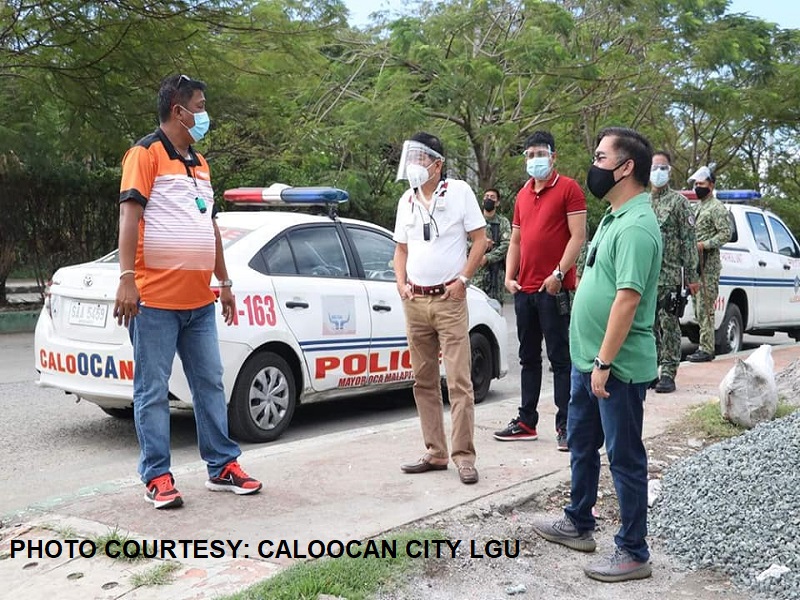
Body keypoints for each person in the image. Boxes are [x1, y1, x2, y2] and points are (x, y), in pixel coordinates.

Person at [114, 74, 262, 509]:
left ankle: (222, 467)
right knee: (153, 391)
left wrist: (226, 281)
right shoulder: (145, 155)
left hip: (200, 301)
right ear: (179, 111)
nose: (204, 113)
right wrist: (127, 279)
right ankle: (157, 476)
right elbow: (128, 217)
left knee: (210, 385)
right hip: (155, 301)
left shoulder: (199, 162)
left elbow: (208, 224)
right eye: (200, 105)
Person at [532, 126, 662, 583]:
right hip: (589, 361)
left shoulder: (639, 227)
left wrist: (605, 363)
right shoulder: (614, 217)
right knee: (582, 445)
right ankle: (579, 522)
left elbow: (627, 299)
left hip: (616, 367)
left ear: (626, 167)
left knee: (624, 456)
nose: (595, 164)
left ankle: (632, 551)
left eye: (601, 157)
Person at [392, 132, 487, 485]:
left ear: (437, 164)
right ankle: (436, 451)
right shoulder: (407, 200)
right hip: (415, 301)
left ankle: (464, 456)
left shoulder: (460, 192)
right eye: (411, 156)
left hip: (449, 299)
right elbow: (400, 248)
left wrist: (463, 279)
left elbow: (480, 240)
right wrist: (400, 284)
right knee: (423, 380)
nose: (413, 164)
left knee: (459, 381)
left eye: (420, 158)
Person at [495, 131, 586, 451]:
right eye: (530, 155)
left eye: (540, 154)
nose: (535, 160)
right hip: (524, 290)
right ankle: (525, 421)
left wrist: (559, 274)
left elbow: (578, 236)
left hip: (553, 289)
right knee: (527, 357)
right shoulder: (522, 195)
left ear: (553, 156)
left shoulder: (568, 189)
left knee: (560, 359)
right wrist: (509, 277)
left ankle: (566, 424)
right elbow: (516, 240)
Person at [649, 151, 700, 392]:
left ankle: (668, 372)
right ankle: (651, 370)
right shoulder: (642, 201)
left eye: (662, 168)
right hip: (644, 277)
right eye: (653, 167)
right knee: (647, 326)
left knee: (668, 325)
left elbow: (688, 241)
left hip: (668, 276)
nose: (657, 172)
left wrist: (691, 276)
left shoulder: (679, 203)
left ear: (669, 171)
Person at [686, 166, 731, 363]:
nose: (698, 187)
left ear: (711, 185)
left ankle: (707, 348)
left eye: (701, 184)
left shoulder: (717, 208)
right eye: (696, 184)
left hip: (708, 267)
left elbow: (725, 233)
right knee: (698, 309)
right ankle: (703, 346)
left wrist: (705, 244)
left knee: (705, 307)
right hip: (696, 265)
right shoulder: (698, 207)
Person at [473, 188, 511, 305]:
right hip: (476, 274)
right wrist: (481, 244)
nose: (488, 199)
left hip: (496, 274)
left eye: (492, 197)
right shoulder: (474, 220)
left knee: (495, 309)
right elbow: (463, 242)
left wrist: (488, 257)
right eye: (486, 196)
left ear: (497, 202)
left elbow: (506, 244)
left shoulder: (503, 222)